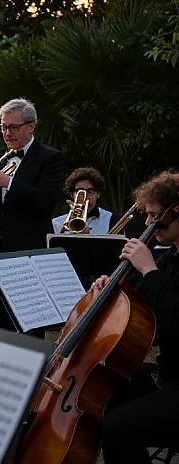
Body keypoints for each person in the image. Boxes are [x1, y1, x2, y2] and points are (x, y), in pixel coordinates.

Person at [87, 171, 179, 463]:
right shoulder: (170, 257)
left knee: (118, 428)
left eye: (154, 216)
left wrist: (149, 270)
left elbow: (173, 323)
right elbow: (136, 299)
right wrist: (111, 287)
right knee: (100, 390)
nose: (149, 224)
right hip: (168, 374)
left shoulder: (160, 264)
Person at [0, 98, 65, 329]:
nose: (7, 133)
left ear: (31, 126)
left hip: (29, 252)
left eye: (14, 127)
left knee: (31, 326)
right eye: (3, 127)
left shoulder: (50, 158)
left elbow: (45, 202)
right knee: (0, 323)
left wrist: (8, 182)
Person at [52, 166, 118, 234]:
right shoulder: (56, 223)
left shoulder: (111, 219)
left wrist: (88, 235)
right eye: (79, 191)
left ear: (98, 194)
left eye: (90, 191)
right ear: (72, 194)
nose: (85, 196)